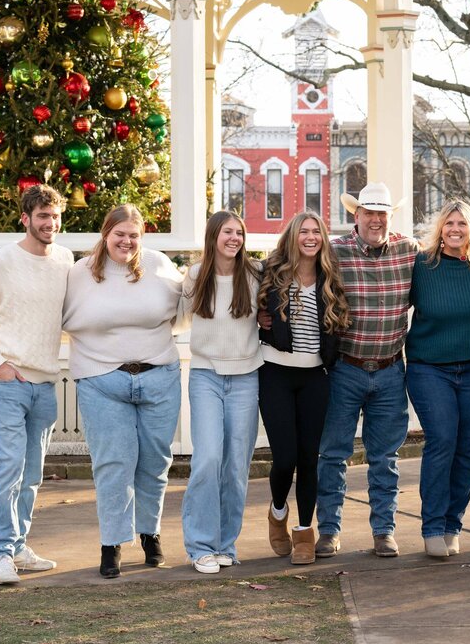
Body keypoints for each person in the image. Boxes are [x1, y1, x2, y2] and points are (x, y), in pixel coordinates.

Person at [62, 204, 184, 578]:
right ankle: (112, 542)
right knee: (113, 464)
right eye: (120, 234)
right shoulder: (79, 274)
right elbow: (53, 315)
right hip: (102, 380)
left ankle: (150, 533)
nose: (127, 242)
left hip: (158, 375)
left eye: (134, 235)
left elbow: (192, 302)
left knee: (155, 463)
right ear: (105, 233)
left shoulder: (159, 265)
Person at [0, 185, 73, 585]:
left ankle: (19, 545)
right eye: (43, 216)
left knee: (32, 474)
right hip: (9, 383)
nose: (50, 223)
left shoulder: (65, 260)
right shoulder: (1, 262)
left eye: (55, 216)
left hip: (45, 384)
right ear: (25, 219)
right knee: (9, 469)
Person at [316, 182, 417, 559]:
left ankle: (384, 530)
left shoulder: (409, 251)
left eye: (382, 214)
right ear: (355, 215)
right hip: (346, 368)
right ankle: (329, 530)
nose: (375, 220)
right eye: (368, 213)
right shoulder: (335, 251)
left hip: (391, 370)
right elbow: (293, 266)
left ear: (390, 218)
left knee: (385, 458)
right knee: (333, 454)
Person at [257, 211, 350, 565]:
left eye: (316, 232)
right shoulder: (269, 273)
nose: (310, 237)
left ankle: (304, 534)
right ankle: (278, 511)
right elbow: (244, 305)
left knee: (309, 459)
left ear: (323, 239)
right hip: (276, 374)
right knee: (285, 458)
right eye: (304, 231)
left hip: (315, 377)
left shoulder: (330, 277)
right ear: (293, 236)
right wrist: (258, 318)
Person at [178, 211, 264, 574]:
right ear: (213, 235)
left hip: (246, 376)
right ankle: (200, 546)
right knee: (208, 458)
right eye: (227, 232)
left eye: (239, 232)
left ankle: (226, 543)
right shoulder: (197, 275)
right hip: (206, 375)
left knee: (235, 466)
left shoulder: (255, 274)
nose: (234, 238)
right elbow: (177, 319)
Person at [404, 200, 470, 558]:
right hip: (430, 368)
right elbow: (392, 304)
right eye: (450, 223)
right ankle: (432, 526)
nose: (456, 229)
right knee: (442, 440)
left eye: (463, 224)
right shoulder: (422, 266)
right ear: (441, 228)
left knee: (467, 445)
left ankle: (454, 523)